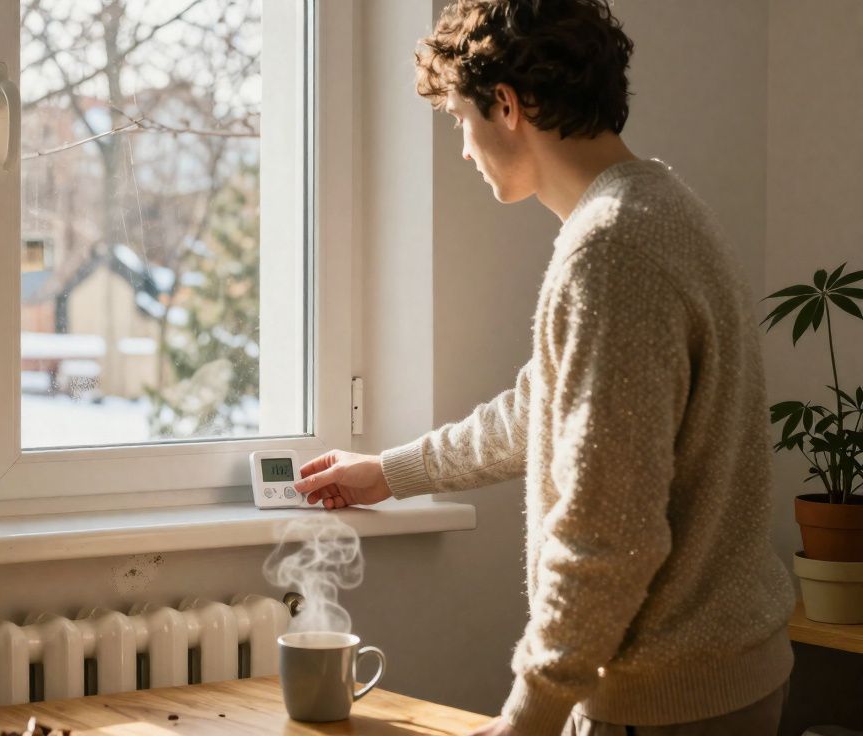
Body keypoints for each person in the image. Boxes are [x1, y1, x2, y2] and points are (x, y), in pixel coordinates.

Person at [291, 1, 796, 735]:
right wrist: (391, 472)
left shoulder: (613, 249)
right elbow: (544, 407)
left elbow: (609, 531)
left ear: (506, 105)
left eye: (461, 120)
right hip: (720, 679)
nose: (463, 149)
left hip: (665, 703)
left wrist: (530, 716)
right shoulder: (656, 206)